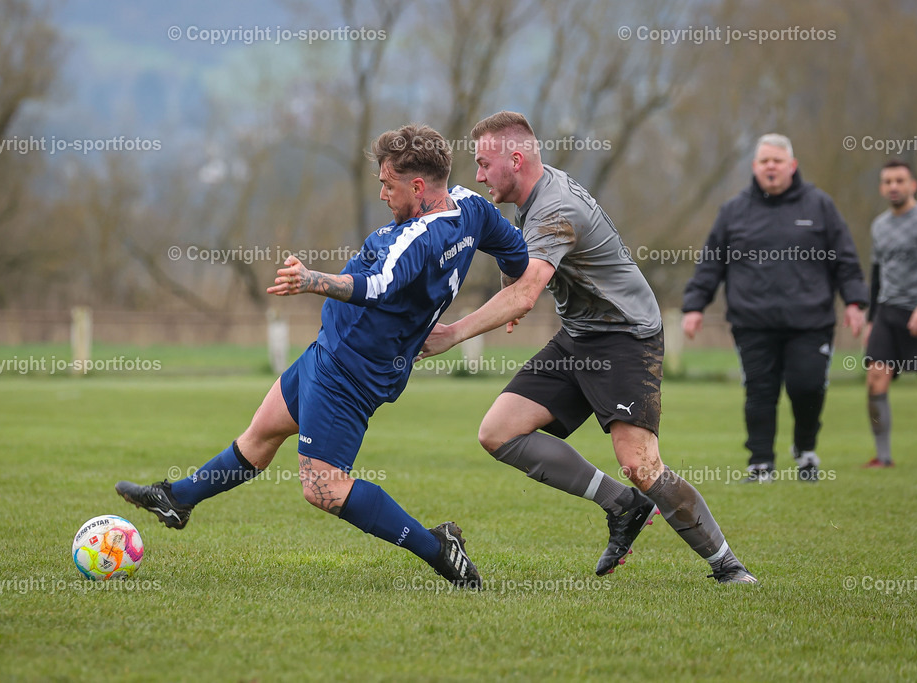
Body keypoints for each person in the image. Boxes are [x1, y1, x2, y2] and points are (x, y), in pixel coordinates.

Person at [115, 123, 533, 589]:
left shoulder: (422, 237)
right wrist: (510, 289)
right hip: (330, 354)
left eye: (387, 184)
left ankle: (438, 548)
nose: (381, 194)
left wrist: (312, 280)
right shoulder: (471, 209)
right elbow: (515, 253)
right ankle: (176, 498)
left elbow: (376, 287)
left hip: (351, 375)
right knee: (261, 435)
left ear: (417, 187)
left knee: (324, 488)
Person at [421, 111, 756, 583]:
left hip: (625, 337)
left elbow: (527, 289)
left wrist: (453, 333)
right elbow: (519, 260)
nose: (476, 176)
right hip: (580, 334)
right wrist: (511, 284)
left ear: (515, 160)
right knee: (499, 432)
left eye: (481, 164)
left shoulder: (555, 208)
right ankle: (622, 505)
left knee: (640, 464)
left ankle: (729, 568)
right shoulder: (532, 194)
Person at [682, 134, 869, 483]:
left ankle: (805, 450)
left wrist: (856, 301)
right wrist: (694, 306)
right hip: (752, 320)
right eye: (764, 161)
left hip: (810, 321)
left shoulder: (820, 206)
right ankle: (761, 464)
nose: (771, 166)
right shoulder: (734, 211)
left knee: (807, 386)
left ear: (792, 166)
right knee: (760, 391)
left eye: (777, 161)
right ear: (754, 167)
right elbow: (711, 263)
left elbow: (845, 258)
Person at [863, 159, 917, 467]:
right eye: (888, 181)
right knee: (875, 380)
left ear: (912, 185)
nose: (894, 186)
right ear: (882, 187)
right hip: (887, 313)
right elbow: (877, 272)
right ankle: (883, 457)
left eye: (900, 181)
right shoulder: (879, 225)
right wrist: (870, 319)